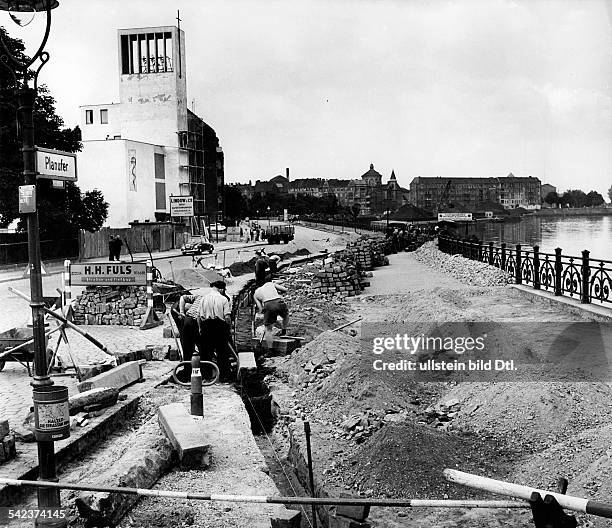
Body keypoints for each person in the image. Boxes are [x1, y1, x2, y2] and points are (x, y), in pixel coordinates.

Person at [199, 281, 234, 382]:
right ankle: (224, 377)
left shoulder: (203, 299)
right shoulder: (223, 299)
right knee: (222, 352)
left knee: (206, 353)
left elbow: (200, 316)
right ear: (221, 289)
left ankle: (206, 376)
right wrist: (229, 329)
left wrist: (201, 329)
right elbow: (227, 317)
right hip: (219, 326)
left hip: (206, 325)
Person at [253, 279, 289, 346]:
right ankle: (284, 330)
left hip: (268, 304)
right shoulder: (269, 284)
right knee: (286, 315)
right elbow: (285, 290)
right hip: (279, 301)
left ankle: (270, 349)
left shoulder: (256, 293)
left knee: (268, 329)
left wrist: (265, 315)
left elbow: (260, 308)